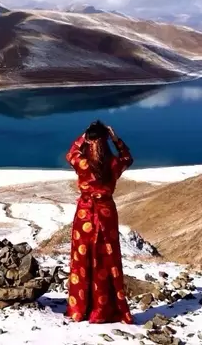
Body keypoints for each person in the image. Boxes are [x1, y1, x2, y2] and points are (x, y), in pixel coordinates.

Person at [64, 120, 134, 324]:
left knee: (82, 259)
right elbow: (127, 158)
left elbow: (71, 153)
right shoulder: (113, 164)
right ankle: (103, 309)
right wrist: (116, 140)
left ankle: (79, 309)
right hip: (106, 214)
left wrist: (83, 139)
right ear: (105, 141)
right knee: (107, 259)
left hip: (85, 213)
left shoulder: (82, 162)